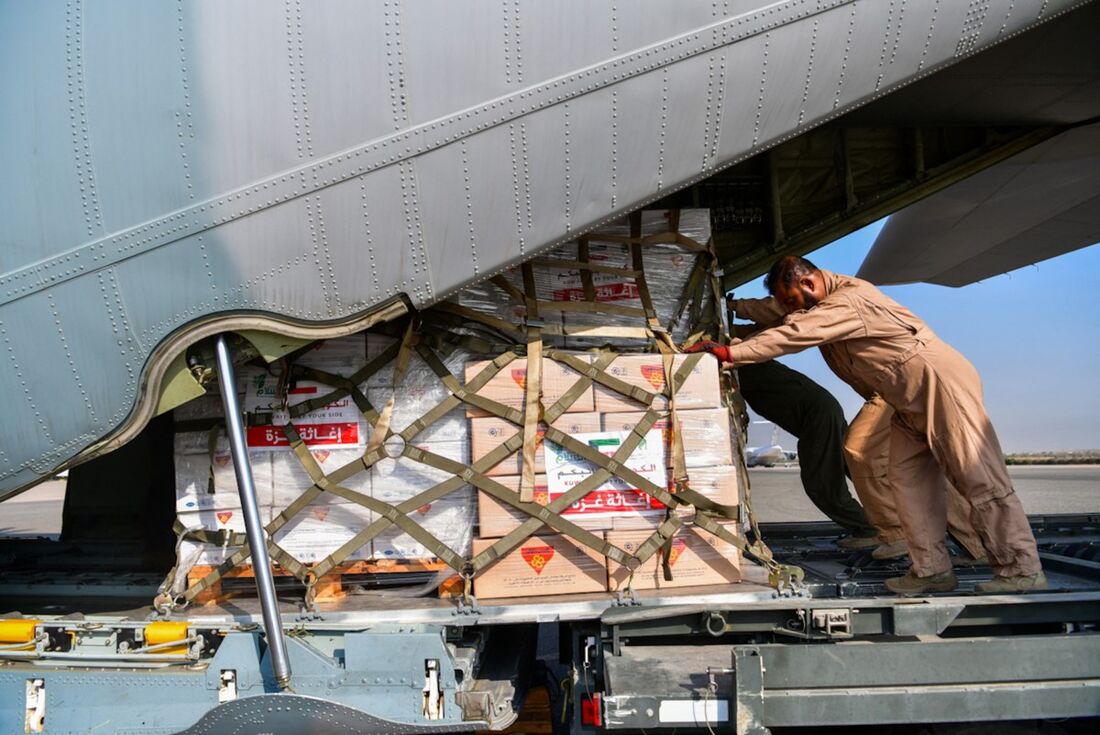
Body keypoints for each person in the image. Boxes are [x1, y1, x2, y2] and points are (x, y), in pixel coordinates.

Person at [692, 256, 1045, 594]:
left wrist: (730, 354)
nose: (790, 310)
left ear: (808, 281)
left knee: (978, 476)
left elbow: (795, 332)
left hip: (936, 385)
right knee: (907, 482)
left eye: (792, 300)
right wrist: (733, 310)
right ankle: (932, 570)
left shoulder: (847, 302)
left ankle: (1021, 568)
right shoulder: (815, 300)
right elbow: (782, 314)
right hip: (900, 397)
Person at [732, 298, 990, 565]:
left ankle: (894, 532)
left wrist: (735, 307)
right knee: (918, 471)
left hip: (897, 388)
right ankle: (976, 546)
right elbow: (774, 326)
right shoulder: (820, 312)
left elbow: (783, 321)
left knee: (859, 450)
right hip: (895, 391)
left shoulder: (832, 306)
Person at [737, 359, 881, 550]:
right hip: (823, 412)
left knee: (822, 483)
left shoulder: (737, 363)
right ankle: (893, 525)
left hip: (817, 418)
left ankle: (870, 531)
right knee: (856, 471)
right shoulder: (744, 361)